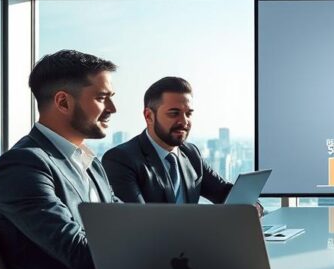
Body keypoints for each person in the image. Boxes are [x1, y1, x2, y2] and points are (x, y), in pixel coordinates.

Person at [0, 50, 120, 269]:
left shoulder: (91, 162)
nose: (112, 108)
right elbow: (78, 253)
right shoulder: (23, 165)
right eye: (102, 97)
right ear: (63, 102)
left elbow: (128, 222)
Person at [103, 77, 259, 214]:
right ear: (149, 116)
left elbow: (223, 192)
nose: (184, 121)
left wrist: (252, 205)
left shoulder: (191, 153)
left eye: (188, 113)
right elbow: (137, 221)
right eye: (174, 113)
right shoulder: (121, 159)